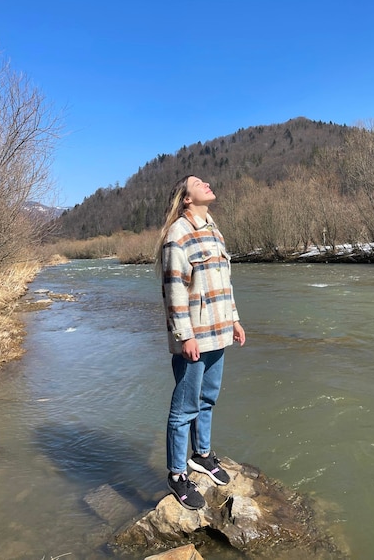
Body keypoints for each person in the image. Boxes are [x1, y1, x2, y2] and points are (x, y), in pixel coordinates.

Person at [155, 175, 246, 510]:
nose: (208, 183)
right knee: (183, 409)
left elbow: (224, 283)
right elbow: (174, 290)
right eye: (199, 183)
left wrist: (234, 320)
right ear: (186, 198)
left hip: (219, 331)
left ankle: (203, 456)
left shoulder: (213, 229)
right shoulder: (177, 234)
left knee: (208, 398)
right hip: (194, 337)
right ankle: (177, 474)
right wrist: (185, 335)